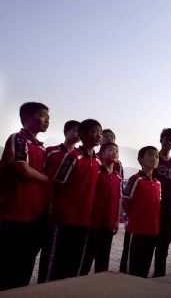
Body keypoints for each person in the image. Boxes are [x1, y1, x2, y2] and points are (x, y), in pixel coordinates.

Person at [43, 119, 102, 282]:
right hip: (64, 219)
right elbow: (57, 184)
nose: (99, 135)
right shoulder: (73, 157)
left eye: (100, 132)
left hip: (84, 221)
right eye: (94, 131)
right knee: (55, 264)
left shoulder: (97, 162)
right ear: (82, 135)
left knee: (74, 264)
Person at [0, 102, 49, 290]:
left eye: (48, 117)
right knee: (7, 267)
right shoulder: (18, 138)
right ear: (26, 118)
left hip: (34, 216)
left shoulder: (43, 148)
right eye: (43, 115)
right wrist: (46, 179)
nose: (47, 120)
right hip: (14, 213)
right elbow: (23, 169)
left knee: (25, 266)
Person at [37, 120, 80, 283]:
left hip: (66, 213)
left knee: (61, 254)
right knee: (43, 252)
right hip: (45, 207)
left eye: (80, 131)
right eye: (74, 130)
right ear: (66, 131)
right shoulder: (50, 152)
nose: (77, 134)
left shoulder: (80, 157)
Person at [80, 142, 122, 275]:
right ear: (101, 154)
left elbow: (119, 199)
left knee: (103, 259)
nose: (114, 152)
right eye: (111, 150)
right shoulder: (96, 172)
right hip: (93, 223)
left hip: (108, 224)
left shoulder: (118, 177)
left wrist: (116, 220)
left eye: (116, 150)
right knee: (86, 257)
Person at [119, 146, 160, 278]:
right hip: (136, 230)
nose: (154, 158)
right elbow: (125, 202)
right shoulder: (135, 179)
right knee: (131, 269)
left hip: (152, 231)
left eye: (156, 156)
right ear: (140, 159)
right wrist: (136, 218)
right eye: (150, 155)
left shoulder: (158, 183)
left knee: (145, 267)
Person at [153, 128, 171, 277]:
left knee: (163, 244)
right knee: (149, 241)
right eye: (166, 139)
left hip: (168, 207)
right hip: (153, 205)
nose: (169, 142)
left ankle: (159, 274)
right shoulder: (152, 157)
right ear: (161, 139)